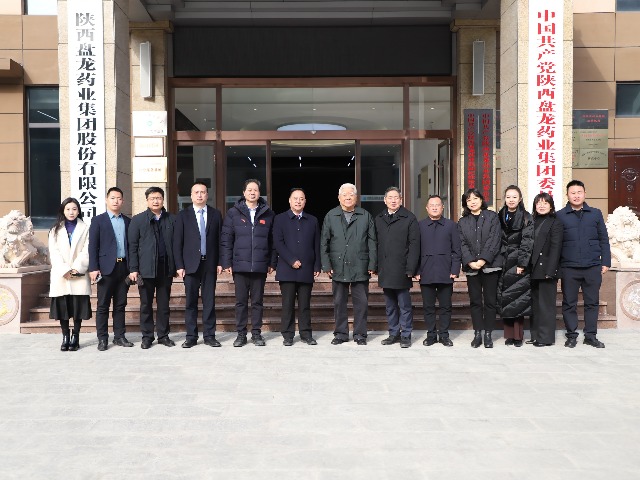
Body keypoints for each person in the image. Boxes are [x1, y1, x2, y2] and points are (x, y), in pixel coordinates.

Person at [220, 179, 276, 347]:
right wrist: (226, 262)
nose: (252, 192)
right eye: (249, 190)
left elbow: (273, 241)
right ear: (244, 193)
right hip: (240, 265)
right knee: (241, 302)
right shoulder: (233, 213)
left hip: (260, 265)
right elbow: (226, 239)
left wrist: (272, 262)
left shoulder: (268, 213)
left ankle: (256, 333)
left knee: (257, 302)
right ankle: (241, 334)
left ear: (259, 193)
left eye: (255, 190)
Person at [320, 183, 377, 345]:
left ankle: (360, 334)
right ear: (339, 198)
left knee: (362, 303)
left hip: (360, 265)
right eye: (344, 195)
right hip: (338, 265)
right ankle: (341, 333)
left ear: (356, 197)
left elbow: (372, 241)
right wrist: (326, 265)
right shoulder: (331, 215)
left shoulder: (365, 215)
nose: (348, 197)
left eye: (351, 194)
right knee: (339, 302)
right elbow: (324, 242)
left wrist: (372, 263)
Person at [557, 180, 611, 348]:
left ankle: (590, 336)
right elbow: (556, 243)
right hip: (569, 267)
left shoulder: (595, 213)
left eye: (579, 192)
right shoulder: (560, 215)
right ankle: (571, 335)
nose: (576, 195)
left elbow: (603, 239)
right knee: (569, 303)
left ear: (585, 194)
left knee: (592, 303)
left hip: (592, 266)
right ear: (567, 195)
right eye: (572, 193)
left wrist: (606, 261)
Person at [173, 182, 223, 348]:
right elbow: (177, 242)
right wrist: (179, 265)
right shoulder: (183, 215)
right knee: (191, 302)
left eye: (203, 192)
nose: (200, 195)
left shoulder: (216, 214)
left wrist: (220, 262)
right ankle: (191, 336)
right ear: (191, 195)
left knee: (209, 302)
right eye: (196, 192)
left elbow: (220, 241)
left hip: (209, 264)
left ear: (207, 195)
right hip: (190, 265)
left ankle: (209, 336)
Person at [128, 187, 177, 349]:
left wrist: (177, 266)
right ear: (147, 200)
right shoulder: (138, 220)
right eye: (152, 198)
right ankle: (147, 336)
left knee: (164, 305)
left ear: (163, 199)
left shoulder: (172, 219)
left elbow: (177, 245)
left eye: (158, 198)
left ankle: (163, 335)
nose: (156, 201)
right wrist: (133, 268)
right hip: (145, 270)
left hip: (165, 269)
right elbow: (132, 247)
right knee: (146, 305)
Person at [273, 188, 321, 346]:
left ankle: (306, 334)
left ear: (305, 201)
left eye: (301, 198)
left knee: (305, 305)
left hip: (306, 268)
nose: (298, 201)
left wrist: (317, 265)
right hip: (287, 269)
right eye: (295, 198)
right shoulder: (280, 219)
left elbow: (316, 244)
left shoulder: (312, 220)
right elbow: (278, 243)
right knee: (287, 304)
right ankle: (288, 335)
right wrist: (291, 260)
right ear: (289, 200)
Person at [89, 187, 133, 351]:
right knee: (103, 305)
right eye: (113, 198)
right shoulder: (98, 220)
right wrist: (94, 268)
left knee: (120, 304)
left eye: (119, 198)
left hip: (123, 267)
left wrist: (132, 268)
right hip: (105, 269)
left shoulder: (128, 221)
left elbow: (132, 246)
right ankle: (102, 338)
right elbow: (93, 246)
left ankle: (119, 336)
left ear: (123, 201)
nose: (116, 201)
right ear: (106, 200)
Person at [458, 188, 503, 348]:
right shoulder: (463, 222)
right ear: (465, 203)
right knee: (475, 302)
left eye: (475, 198)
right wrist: (470, 261)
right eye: (469, 199)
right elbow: (462, 243)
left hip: (490, 266)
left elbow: (494, 239)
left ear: (482, 200)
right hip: (472, 268)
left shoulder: (492, 217)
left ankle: (488, 334)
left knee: (490, 301)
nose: (472, 202)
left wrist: (483, 259)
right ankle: (477, 333)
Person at [375, 187, 420, 348]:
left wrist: (411, 268)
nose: (393, 200)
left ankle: (406, 334)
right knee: (390, 305)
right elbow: (375, 244)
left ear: (401, 200)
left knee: (404, 305)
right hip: (385, 268)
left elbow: (414, 245)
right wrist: (375, 265)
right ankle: (393, 333)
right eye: (390, 197)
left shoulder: (409, 218)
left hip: (402, 268)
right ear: (385, 200)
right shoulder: (379, 218)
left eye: (396, 197)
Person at [417, 194, 461, 347]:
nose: (435, 208)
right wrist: (416, 270)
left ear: (443, 207)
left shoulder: (451, 226)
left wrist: (455, 269)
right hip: (426, 272)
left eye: (437, 205)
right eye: (432, 205)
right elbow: (415, 250)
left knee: (445, 307)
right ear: (427, 208)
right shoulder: (420, 226)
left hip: (445, 272)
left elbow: (456, 250)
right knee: (428, 307)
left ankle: (444, 335)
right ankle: (431, 335)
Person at [48, 198, 92, 351]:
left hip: (78, 274)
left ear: (78, 211)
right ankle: (65, 336)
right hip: (61, 275)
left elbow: (87, 250)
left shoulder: (85, 228)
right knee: (63, 308)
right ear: (63, 211)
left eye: (74, 209)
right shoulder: (55, 230)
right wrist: (65, 270)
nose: (71, 212)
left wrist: (76, 268)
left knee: (78, 307)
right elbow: (54, 252)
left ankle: (76, 336)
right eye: (68, 209)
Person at [497, 185, 533, 347]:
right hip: (503, 262)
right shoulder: (500, 215)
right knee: (506, 299)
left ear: (520, 199)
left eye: (514, 197)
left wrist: (522, 263)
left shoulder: (526, 217)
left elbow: (527, 241)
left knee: (518, 299)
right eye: (508, 197)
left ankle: (518, 336)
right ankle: (509, 335)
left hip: (518, 262)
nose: (511, 200)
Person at [529, 192, 563, 347]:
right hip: (532, 269)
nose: (541, 206)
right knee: (535, 305)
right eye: (538, 203)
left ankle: (546, 338)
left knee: (546, 306)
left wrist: (551, 270)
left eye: (545, 203)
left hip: (547, 270)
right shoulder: (531, 221)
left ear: (551, 206)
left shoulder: (555, 223)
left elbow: (556, 248)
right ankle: (535, 335)